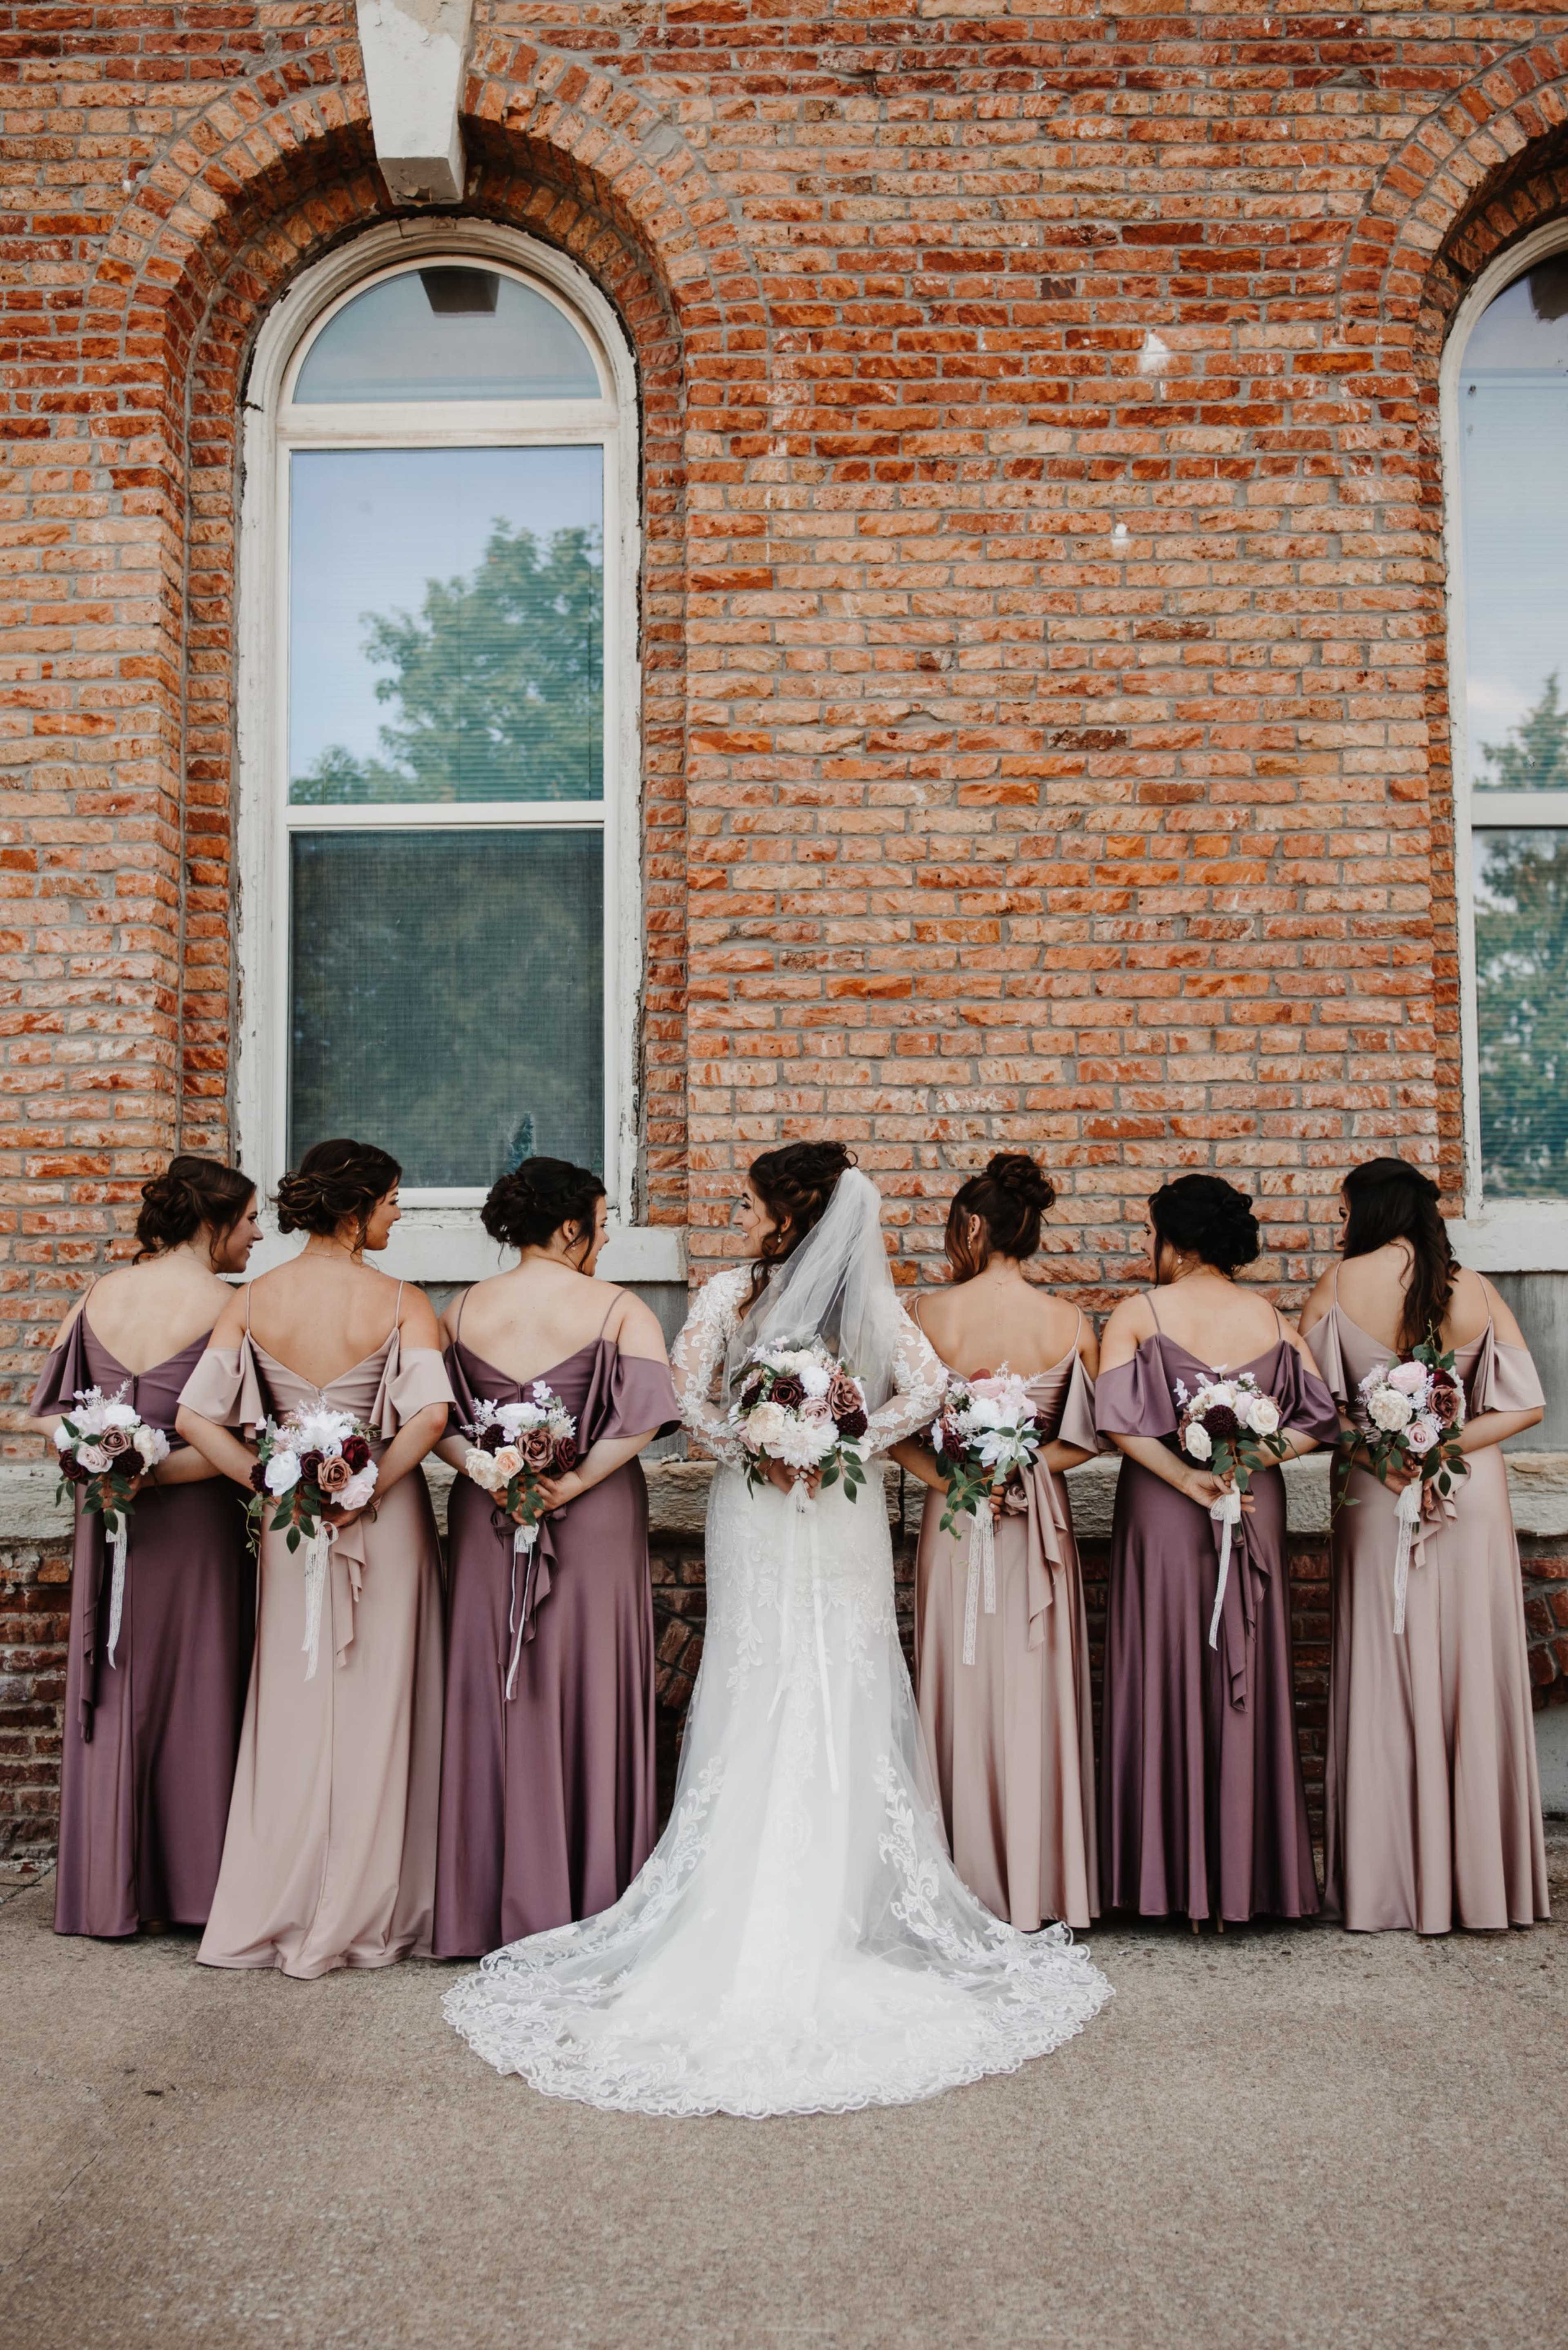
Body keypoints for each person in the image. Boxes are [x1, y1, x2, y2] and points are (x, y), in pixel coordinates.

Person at [443, 1144, 1111, 2117]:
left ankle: (838, 1899)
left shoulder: (847, 1304)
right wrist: (769, 1438)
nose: (742, 1212)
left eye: (753, 1201)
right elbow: (685, 1400)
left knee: (840, 1674)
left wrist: (833, 1438)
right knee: (759, 1673)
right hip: (771, 1511)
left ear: (789, 1213)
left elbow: (920, 1395)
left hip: (813, 1508)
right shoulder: (732, 1296)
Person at [176, 1138, 452, 1978]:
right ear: (354, 1209)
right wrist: (364, 1490)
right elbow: (431, 1419)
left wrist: (273, 1481)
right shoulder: (405, 1301)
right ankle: (375, 1904)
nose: (399, 1214)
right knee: (382, 1702)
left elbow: (196, 1419)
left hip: (292, 1524)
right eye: (393, 1200)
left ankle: (280, 1898)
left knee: (293, 1703)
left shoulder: (251, 1302)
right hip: (384, 1520)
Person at [432, 1158, 679, 1958]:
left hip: (486, 1516)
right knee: (591, 1682)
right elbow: (640, 1423)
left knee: (492, 1687)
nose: (604, 1243)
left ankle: (489, 1904)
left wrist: (495, 1475)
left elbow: (434, 1419)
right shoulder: (617, 1309)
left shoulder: (461, 1310)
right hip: (595, 1513)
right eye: (602, 1226)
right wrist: (565, 1481)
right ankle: (591, 1898)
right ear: (570, 1227)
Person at [1300, 1157, 1550, 1932]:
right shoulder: (1472, 1288)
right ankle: (1479, 1887)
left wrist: (1389, 1448)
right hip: (1467, 1495)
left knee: (1387, 1668)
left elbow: (1309, 1410)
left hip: (1382, 1494)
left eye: (1344, 1212)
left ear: (1367, 1212)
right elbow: (1528, 1405)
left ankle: (1388, 1886)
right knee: (1470, 1670)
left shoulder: (1338, 1289)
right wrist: (1443, 1446)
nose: (1341, 1226)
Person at [1096, 1174, 1342, 1926]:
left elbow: (1114, 1423)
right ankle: (1246, 1881)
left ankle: (1160, 1884)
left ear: (1178, 1240)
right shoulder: (1270, 1318)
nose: (1147, 1249)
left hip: (1167, 1509)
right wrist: (1250, 1462)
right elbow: (1322, 1419)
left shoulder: (1138, 1312)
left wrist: (1185, 1474)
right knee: (1243, 1661)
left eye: (1150, 1234)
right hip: (1248, 1504)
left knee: (1161, 1665)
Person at [30, 1157, 261, 1939]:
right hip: (195, 1521)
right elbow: (241, 1440)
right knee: (200, 1680)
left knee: (119, 1677)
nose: (258, 1235)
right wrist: (156, 1471)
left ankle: (107, 1890)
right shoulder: (231, 1308)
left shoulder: (100, 1296)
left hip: (110, 1515)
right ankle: (192, 1888)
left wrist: (106, 1459)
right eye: (250, 1219)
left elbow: (47, 1419)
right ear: (213, 1222)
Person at [891, 1153, 1100, 1930]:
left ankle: (961, 1883)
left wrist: (960, 1483)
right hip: (1035, 1529)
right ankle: (1043, 1883)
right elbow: (1092, 1437)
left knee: (961, 1680)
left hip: (961, 1527)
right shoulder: (1071, 1324)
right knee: (1033, 1688)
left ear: (974, 1227)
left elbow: (893, 1435)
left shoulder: (928, 1315)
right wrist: (1026, 1471)